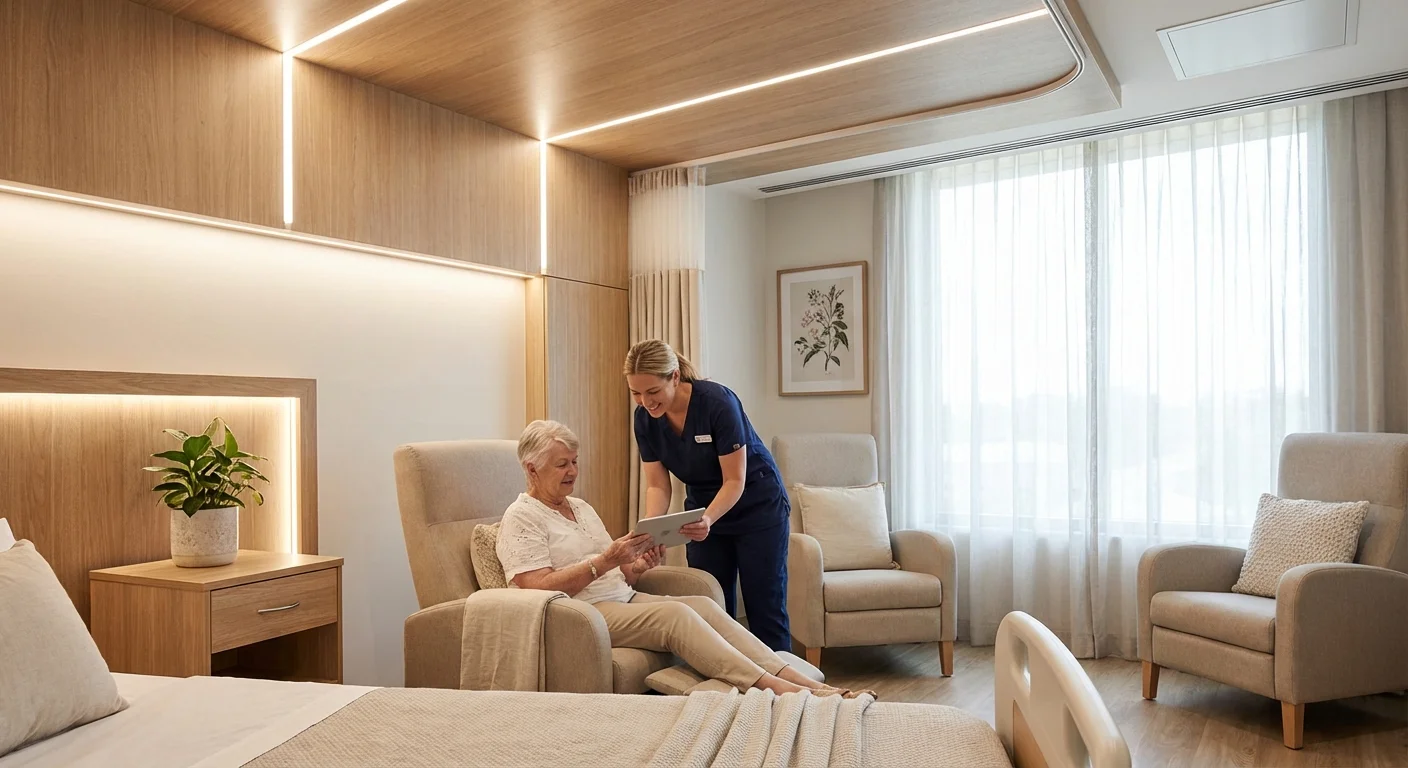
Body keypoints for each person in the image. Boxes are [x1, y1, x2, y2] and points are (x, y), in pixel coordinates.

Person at [495, 420, 868, 697]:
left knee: (703, 605)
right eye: (562, 464)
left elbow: (620, 573)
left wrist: (636, 566)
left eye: (575, 462)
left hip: (619, 599)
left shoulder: (580, 507)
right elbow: (533, 587)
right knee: (677, 615)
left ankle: (798, 677)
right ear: (532, 468)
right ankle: (777, 689)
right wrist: (605, 562)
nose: (573, 472)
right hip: (579, 614)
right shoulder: (522, 517)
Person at [623, 339, 792, 652]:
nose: (646, 401)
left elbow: (734, 479)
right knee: (711, 603)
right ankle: (725, 691)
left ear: (674, 377)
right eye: (636, 393)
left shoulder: (717, 402)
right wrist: (649, 529)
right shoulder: (644, 419)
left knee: (764, 605)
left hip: (756, 505)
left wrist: (709, 518)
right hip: (702, 510)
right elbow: (658, 486)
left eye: (653, 391)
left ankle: (788, 693)